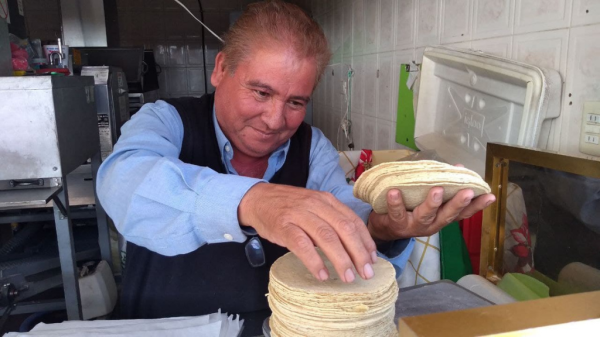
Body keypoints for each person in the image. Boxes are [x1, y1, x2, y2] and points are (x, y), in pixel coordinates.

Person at [96, 0, 495, 333]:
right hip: (159, 327)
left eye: (295, 102)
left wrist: (383, 229)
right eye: (261, 92)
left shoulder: (312, 147)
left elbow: (345, 210)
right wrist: (253, 201)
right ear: (221, 69)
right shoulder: (165, 120)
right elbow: (122, 182)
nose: (274, 120)